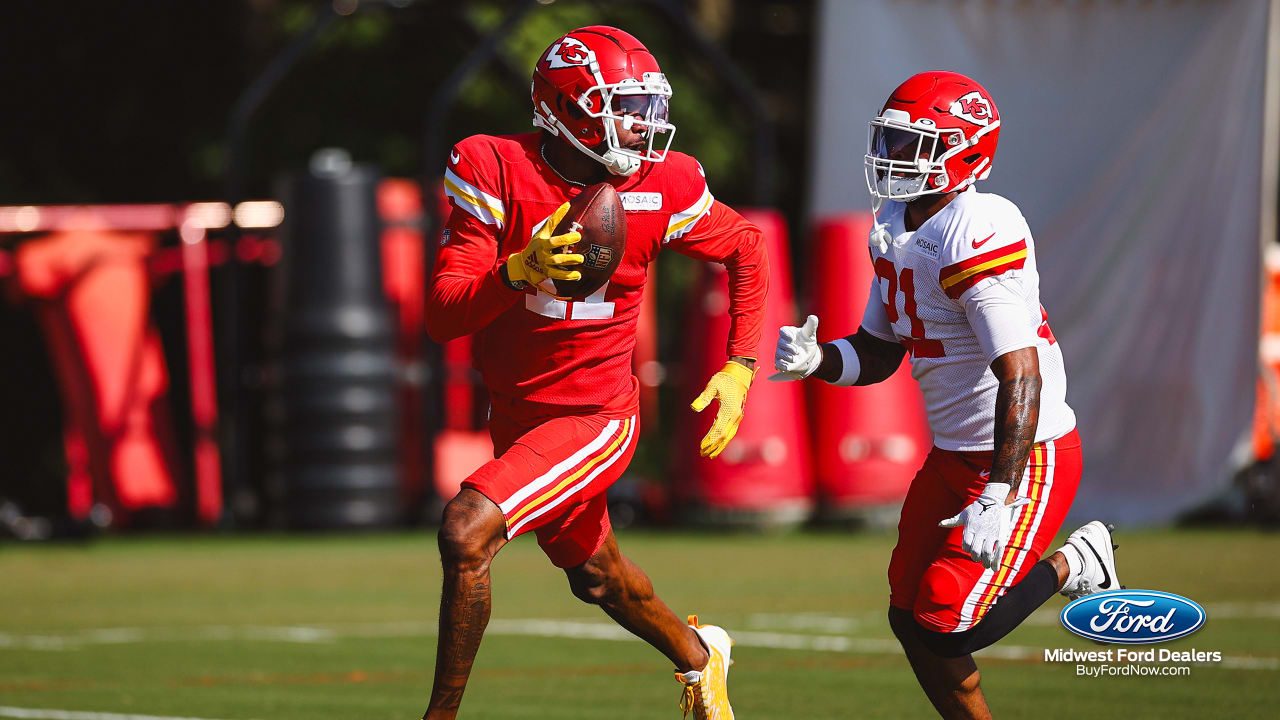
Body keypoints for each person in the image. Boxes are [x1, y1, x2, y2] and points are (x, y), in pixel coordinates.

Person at [424, 25, 768, 720]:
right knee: (599, 578)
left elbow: (747, 247)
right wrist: (517, 272)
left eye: (646, 106)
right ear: (560, 108)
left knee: (466, 530)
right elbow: (442, 315)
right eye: (622, 106)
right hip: (517, 411)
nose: (641, 125)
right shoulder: (493, 166)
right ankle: (702, 659)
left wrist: (742, 364)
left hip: (595, 416)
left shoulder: (662, 183)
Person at [772, 71, 1119, 719]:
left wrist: (998, 492)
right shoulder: (896, 224)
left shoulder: (976, 227)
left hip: (1025, 454)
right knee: (909, 618)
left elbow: (1022, 373)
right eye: (892, 139)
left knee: (947, 625)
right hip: (954, 453)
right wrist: (819, 359)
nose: (894, 156)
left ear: (964, 153)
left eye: (914, 144)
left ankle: (1077, 561)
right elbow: (878, 354)